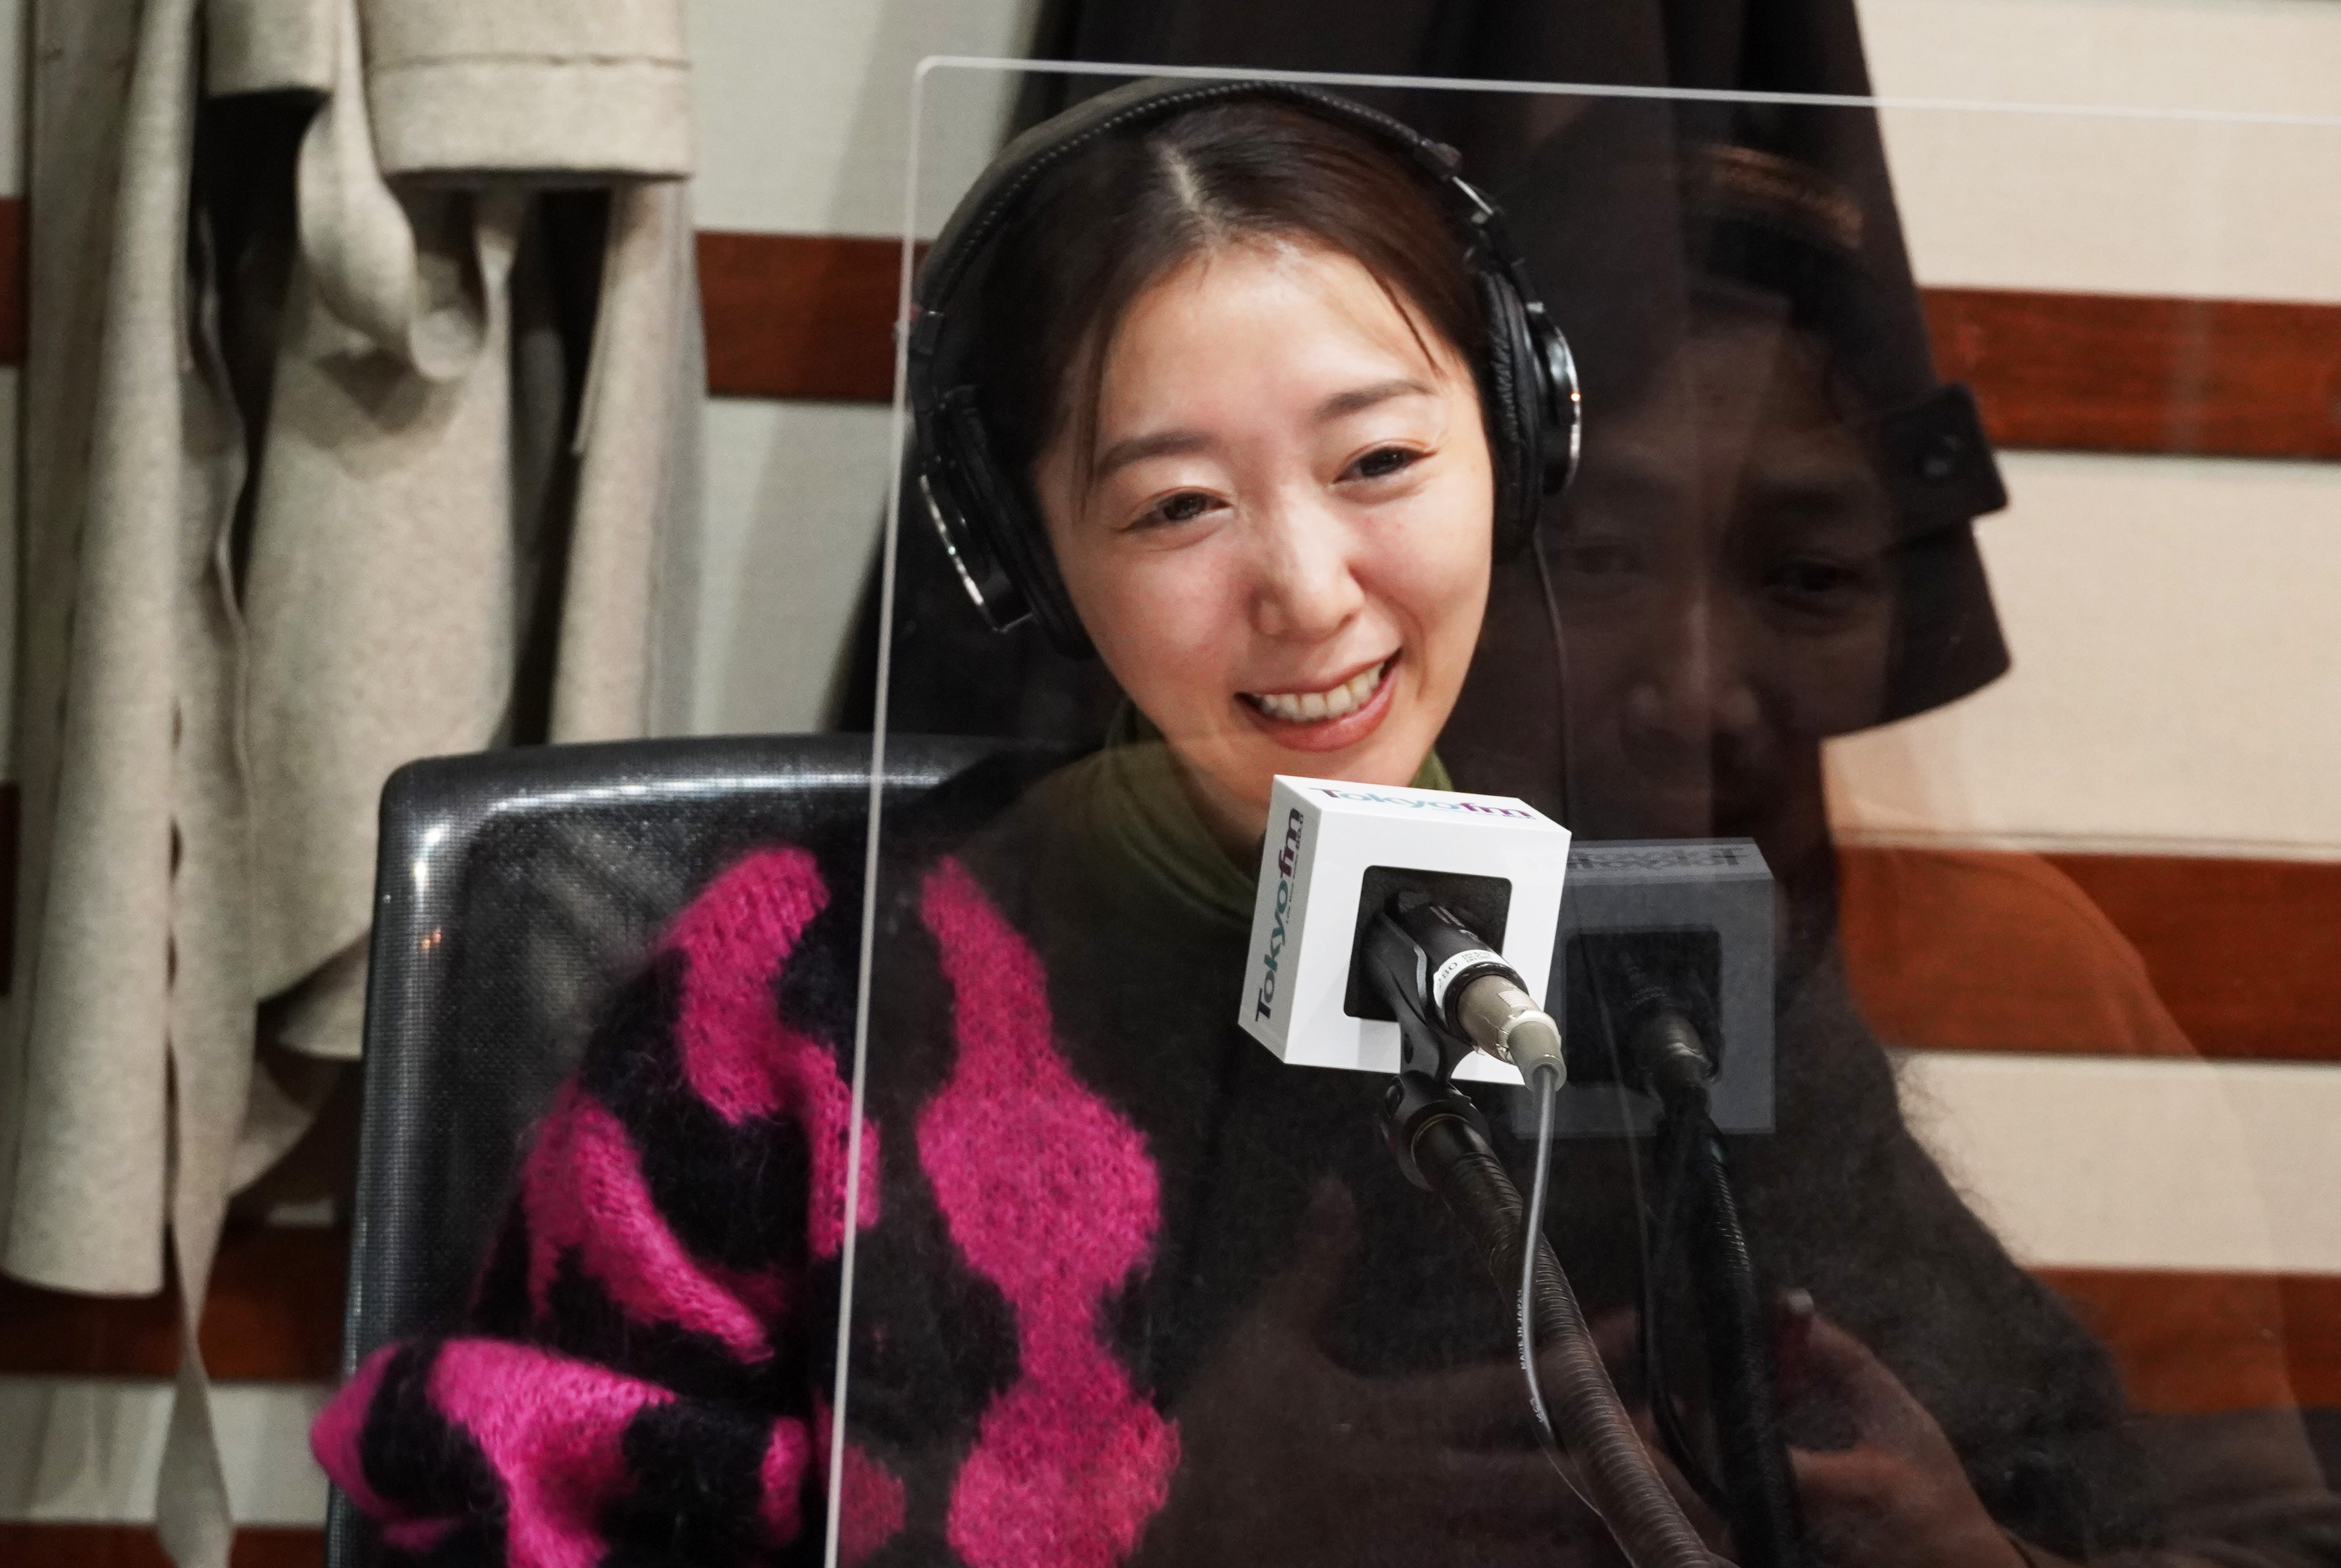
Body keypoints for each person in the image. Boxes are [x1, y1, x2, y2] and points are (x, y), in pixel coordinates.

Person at [310, 80, 2340, 1568]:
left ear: (1513, 445)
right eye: (1177, 504)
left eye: (1380, 462)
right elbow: (489, 1498)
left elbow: (2103, 1495)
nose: (1305, 588)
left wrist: (1967, 1548)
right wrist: (1146, 1521)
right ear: (1029, 556)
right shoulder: (804, 982)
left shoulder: (1664, 980)